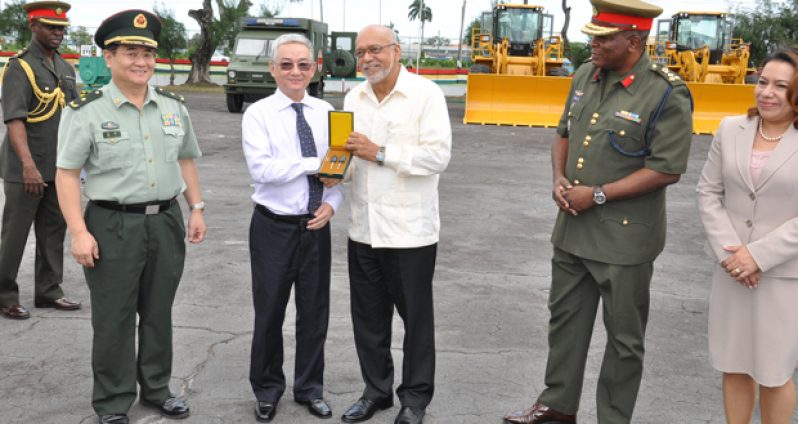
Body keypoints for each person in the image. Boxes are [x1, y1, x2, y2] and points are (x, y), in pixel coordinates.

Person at [503, 0, 694, 423]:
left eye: (603, 37)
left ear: (634, 40)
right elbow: (564, 133)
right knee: (565, 323)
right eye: (592, 35)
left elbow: (667, 169)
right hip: (573, 228)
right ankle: (557, 405)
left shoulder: (666, 91)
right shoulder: (585, 75)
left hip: (624, 239)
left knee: (625, 341)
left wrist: (599, 194)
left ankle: (613, 417)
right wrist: (558, 178)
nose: (592, 43)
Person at [55, 10, 205, 424]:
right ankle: (113, 400)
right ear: (108, 56)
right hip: (111, 223)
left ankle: (156, 388)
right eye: (131, 52)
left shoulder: (173, 107)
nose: (141, 62)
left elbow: (187, 159)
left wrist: (196, 207)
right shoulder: (85, 110)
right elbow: (66, 174)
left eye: (147, 54)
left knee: (159, 311)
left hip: (166, 221)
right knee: (114, 317)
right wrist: (79, 232)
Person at [339, 24, 452, 424]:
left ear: (396, 51)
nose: (366, 58)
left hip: (410, 233)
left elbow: (437, 157)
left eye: (374, 50)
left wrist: (380, 152)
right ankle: (376, 392)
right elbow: (350, 158)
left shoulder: (426, 95)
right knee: (368, 320)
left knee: (417, 322)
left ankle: (415, 400)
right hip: (364, 228)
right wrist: (334, 172)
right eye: (360, 52)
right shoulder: (354, 96)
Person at [241, 33, 343, 423]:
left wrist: (332, 205)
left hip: (317, 225)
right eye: (286, 64)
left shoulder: (326, 111)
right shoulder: (259, 114)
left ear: (314, 67)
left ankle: (310, 389)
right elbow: (262, 170)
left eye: (303, 64)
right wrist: (312, 163)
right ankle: (267, 389)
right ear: (272, 69)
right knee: (269, 311)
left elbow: (339, 172)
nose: (295, 71)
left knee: (315, 312)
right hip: (274, 227)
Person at [696, 48, 798, 424]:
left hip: (784, 276)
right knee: (734, 363)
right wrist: (732, 256)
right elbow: (708, 193)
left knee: (774, 372)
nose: (767, 92)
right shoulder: (730, 129)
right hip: (733, 272)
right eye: (763, 82)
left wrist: (757, 256)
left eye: (781, 86)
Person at [0, 0, 79, 319]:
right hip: (25, 169)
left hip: (57, 167)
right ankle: (5, 295)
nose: (58, 33)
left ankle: (49, 291)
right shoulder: (20, 67)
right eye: (50, 26)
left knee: (53, 231)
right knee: (15, 234)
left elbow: (75, 118)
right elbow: (15, 119)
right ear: (33, 27)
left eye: (61, 28)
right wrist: (29, 166)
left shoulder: (65, 68)